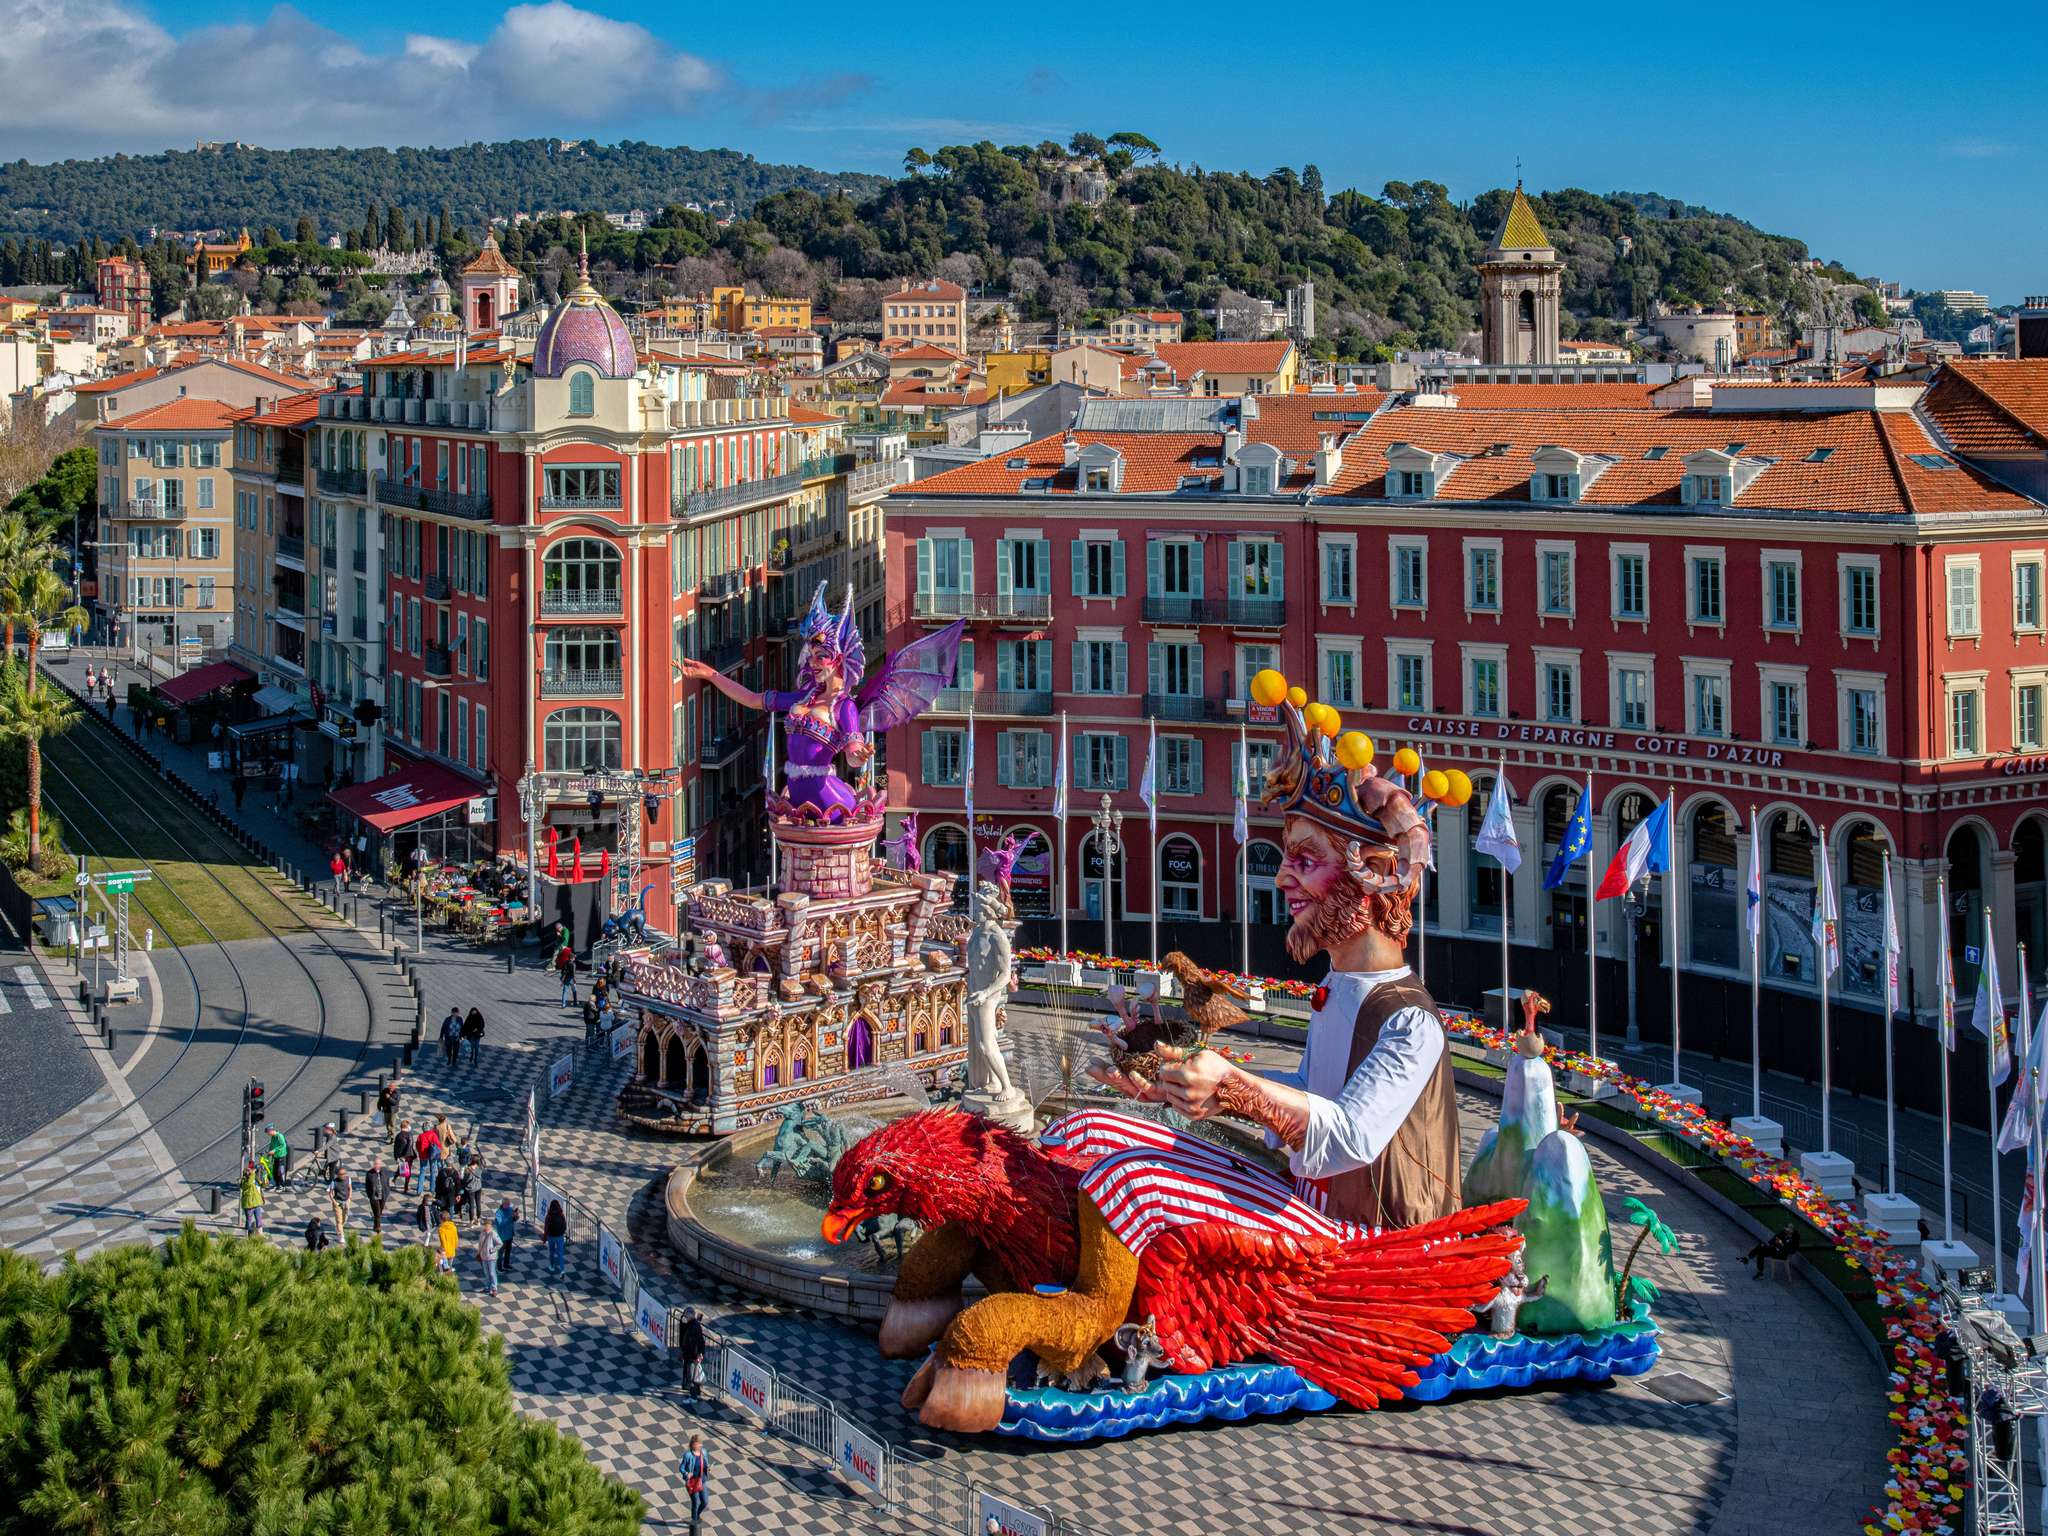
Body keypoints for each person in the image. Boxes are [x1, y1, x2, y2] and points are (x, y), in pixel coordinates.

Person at [1094, 688, 1458, 1230]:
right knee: (1101, 1136)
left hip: (1373, 1244)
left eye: (1306, 860)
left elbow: (1348, 1139)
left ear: (1375, 876)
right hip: (1312, 1205)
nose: (1282, 876)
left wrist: (1233, 1086)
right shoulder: (1339, 984)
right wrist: (1177, 1078)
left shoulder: (1411, 1019)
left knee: (1133, 1185)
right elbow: (1307, 1098)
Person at [679, 1433, 709, 1535]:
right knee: (695, 1502)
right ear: (693, 1444)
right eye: (697, 1444)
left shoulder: (704, 1452)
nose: (700, 1446)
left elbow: (705, 1464)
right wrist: (687, 1473)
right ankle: (694, 1520)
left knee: (705, 1502)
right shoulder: (688, 1455)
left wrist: (707, 1468)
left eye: (700, 1444)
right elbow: (681, 1468)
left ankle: (697, 1515)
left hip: (702, 1481)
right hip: (692, 1482)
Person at [678, 1308, 707, 1399]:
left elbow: (700, 1341)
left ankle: (693, 1397)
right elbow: (684, 1334)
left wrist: (700, 1354)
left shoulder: (695, 1326)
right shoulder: (691, 1324)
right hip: (688, 1354)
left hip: (692, 1355)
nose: (685, 1317)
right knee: (690, 1375)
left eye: (686, 1315)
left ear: (690, 1315)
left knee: (692, 1377)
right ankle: (693, 1392)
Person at [492, 1197, 521, 1275]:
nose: (508, 1206)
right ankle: (499, 1267)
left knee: (508, 1251)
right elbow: (501, 1224)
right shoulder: (498, 1213)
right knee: (500, 1253)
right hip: (502, 1237)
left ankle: (506, 1264)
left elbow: (513, 1220)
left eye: (509, 1204)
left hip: (510, 1235)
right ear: (503, 1204)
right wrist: (510, 1217)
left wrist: (516, 1216)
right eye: (507, 1204)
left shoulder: (510, 1209)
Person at [364, 1156, 389, 1237]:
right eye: (375, 1164)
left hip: (383, 1195)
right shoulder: (369, 1174)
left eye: (378, 1164)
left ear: (380, 1164)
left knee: (379, 1212)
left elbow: (387, 1182)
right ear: (373, 1164)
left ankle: (375, 1225)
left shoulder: (384, 1172)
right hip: (374, 1197)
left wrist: (387, 1191)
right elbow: (367, 1186)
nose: (377, 1165)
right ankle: (378, 1228)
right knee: (377, 1213)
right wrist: (369, 1195)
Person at [544, 1198, 568, 1276]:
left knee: (551, 1252)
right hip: (560, 1236)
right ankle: (562, 1270)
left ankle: (552, 1266)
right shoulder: (561, 1214)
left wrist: (544, 1239)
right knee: (560, 1254)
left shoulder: (549, 1216)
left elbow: (546, 1228)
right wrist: (562, 1232)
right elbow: (564, 1225)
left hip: (551, 1237)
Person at [476, 1217, 501, 1296]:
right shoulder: (482, 1233)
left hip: (491, 1258)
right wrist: (479, 1252)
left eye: (487, 1225)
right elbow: (480, 1244)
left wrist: (492, 1250)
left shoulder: (493, 1233)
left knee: (492, 1273)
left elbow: (500, 1243)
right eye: (484, 1225)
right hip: (484, 1257)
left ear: (490, 1226)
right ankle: (487, 1287)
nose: (485, 1227)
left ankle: (494, 1288)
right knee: (486, 1273)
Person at [394, 1120, 418, 1193]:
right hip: (408, 1156)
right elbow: (410, 1145)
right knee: (408, 1171)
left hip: (401, 1156)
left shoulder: (398, 1135)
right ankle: (406, 1187)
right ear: (407, 1126)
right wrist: (405, 1156)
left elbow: (395, 1147)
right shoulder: (409, 1135)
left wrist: (397, 1157)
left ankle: (395, 1178)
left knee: (402, 1167)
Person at [460, 1155, 485, 1225]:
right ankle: (478, 1219)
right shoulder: (480, 1168)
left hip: (470, 1189)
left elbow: (466, 1180)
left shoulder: (468, 1169)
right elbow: (483, 1162)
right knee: (478, 1203)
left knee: (471, 1205)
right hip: (478, 1187)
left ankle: (471, 1221)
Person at [328, 1162, 352, 1235]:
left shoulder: (348, 1179)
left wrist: (349, 1198)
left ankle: (340, 1227)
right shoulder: (334, 1182)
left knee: (344, 1217)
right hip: (338, 1202)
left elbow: (350, 1188)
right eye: (342, 1174)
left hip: (346, 1201)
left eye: (345, 1173)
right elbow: (330, 1193)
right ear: (338, 1175)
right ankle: (341, 1236)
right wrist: (334, 1202)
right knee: (339, 1220)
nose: (344, 1175)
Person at [239, 1165, 264, 1234]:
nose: (250, 1173)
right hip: (249, 1205)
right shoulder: (244, 1181)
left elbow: (262, 1184)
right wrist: (252, 1173)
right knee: (249, 1220)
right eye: (248, 1172)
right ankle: (248, 1235)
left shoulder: (254, 1178)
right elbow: (249, 1183)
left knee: (259, 1219)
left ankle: (260, 1234)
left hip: (256, 1203)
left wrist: (265, 1178)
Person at [265, 1124, 289, 1189]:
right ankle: (277, 1184)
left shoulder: (279, 1136)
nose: (268, 1134)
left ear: (271, 1131)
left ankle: (283, 1185)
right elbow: (271, 1146)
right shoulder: (273, 1137)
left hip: (281, 1156)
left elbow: (283, 1145)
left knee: (281, 1171)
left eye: (268, 1133)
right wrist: (269, 1152)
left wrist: (274, 1150)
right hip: (275, 1157)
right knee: (275, 1171)